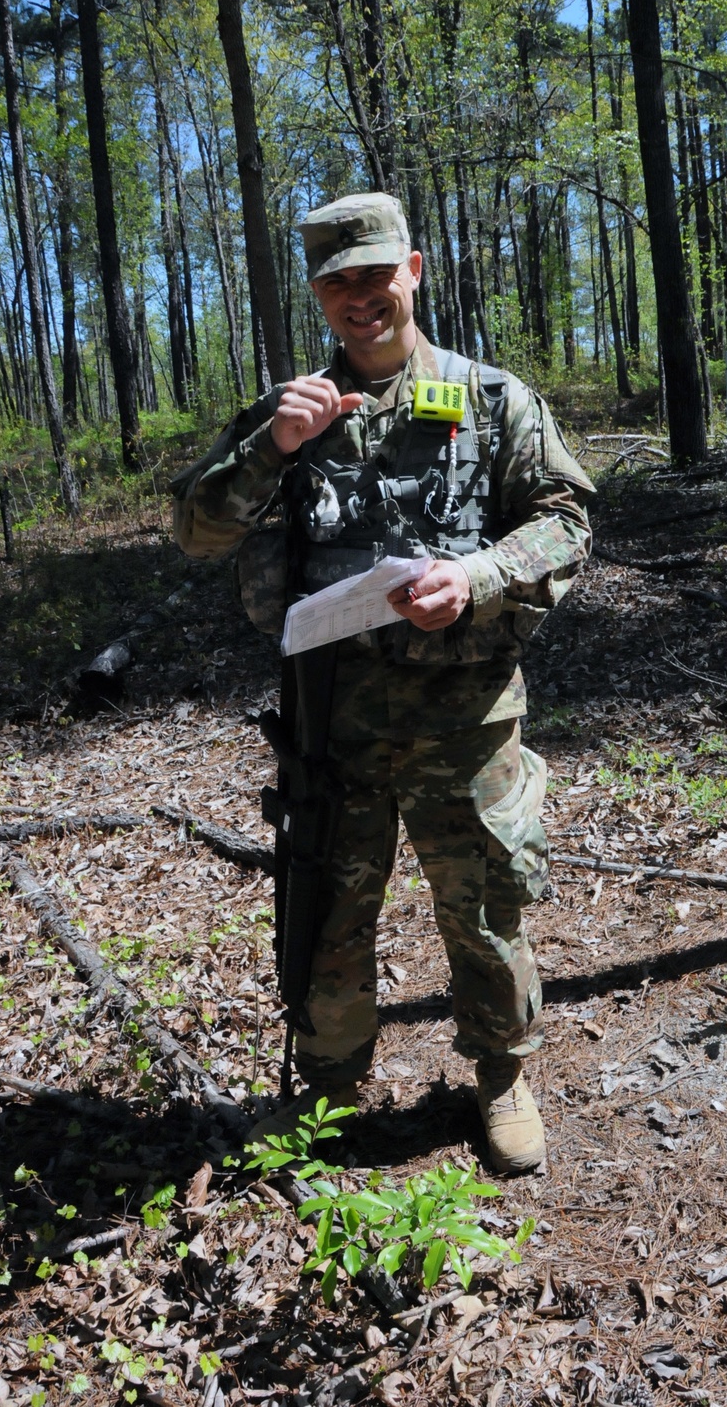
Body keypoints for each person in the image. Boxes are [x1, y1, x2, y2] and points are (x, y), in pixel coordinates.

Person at [171, 193, 593, 1173]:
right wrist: (268, 449)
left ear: (412, 269)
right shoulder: (293, 415)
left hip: (467, 718)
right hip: (336, 727)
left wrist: (479, 577)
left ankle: (502, 1075)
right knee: (326, 918)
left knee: (486, 911)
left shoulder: (492, 400)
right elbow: (196, 531)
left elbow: (566, 521)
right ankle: (323, 1098)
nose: (358, 297)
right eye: (336, 281)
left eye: (374, 274)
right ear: (318, 292)